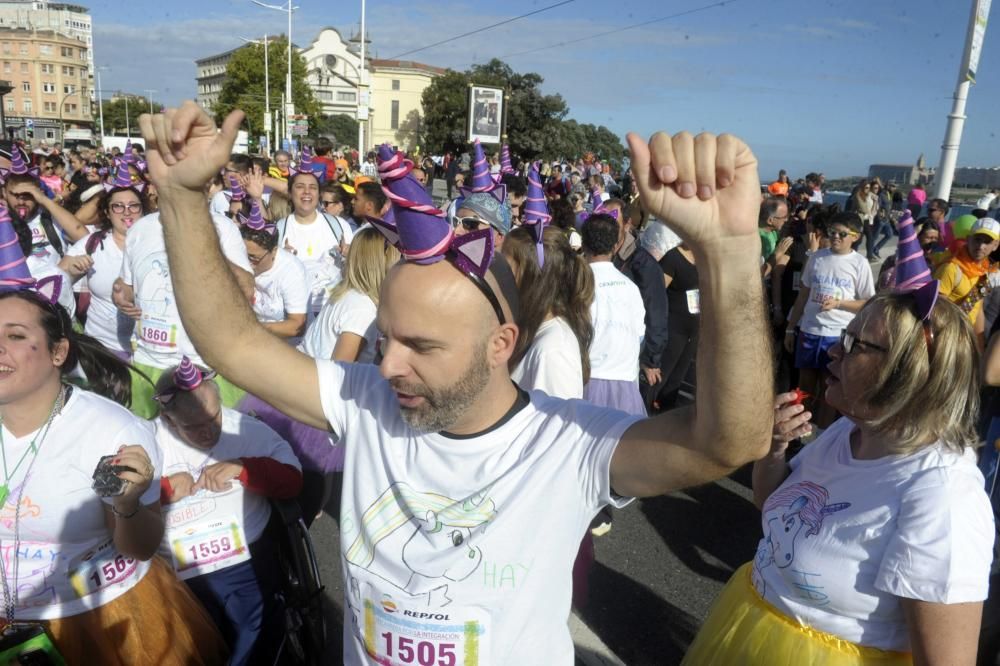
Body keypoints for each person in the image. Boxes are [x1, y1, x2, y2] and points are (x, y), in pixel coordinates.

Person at [140, 102, 773, 665]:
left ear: (502, 345)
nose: (387, 365)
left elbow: (728, 441)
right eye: (390, 337)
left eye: (423, 346)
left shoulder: (568, 443)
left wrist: (730, 253)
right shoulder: (367, 400)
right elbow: (231, 342)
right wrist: (180, 197)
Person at [684, 216, 993, 664]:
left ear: (909, 371)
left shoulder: (943, 497)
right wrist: (773, 450)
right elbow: (772, 506)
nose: (833, 351)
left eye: (854, 345)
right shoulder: (847, 433)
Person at [0, 219, 227, 663]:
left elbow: (140, 545)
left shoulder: (112, 430)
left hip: (96, 618)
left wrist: (126, 505)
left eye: (15, 337)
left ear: (58, 352)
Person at [153, 357, 302, 665]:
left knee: (253, 639)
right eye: (194, 427)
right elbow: (115, 503)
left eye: (214, 419)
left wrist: (245, 468)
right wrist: (161, 491)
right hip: (177, 571)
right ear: (168, 420)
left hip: (245, 562)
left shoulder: (244, 429)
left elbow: (293, 481)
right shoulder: (147, 440)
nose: (209, 433)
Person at [113, 197, 255, 418]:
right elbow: (128, 285)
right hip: (148, 362)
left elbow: (246, 288)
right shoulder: (140, 228)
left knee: (209, 445)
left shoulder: (223, 227)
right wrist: (121, 295)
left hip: (206, 365)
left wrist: (204, 243)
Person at [784, 211, 875, 427]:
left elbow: (868, 303)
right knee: (804, 386)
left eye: (842, 234)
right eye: (832, 232)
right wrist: (790, 328)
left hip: (837, 335)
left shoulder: (860, 264)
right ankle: (800, 430)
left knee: (829, 387)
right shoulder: (816, 257)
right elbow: (803, 295)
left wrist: (839, 304)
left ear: (856, 236)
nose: (835, 237)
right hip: (809, 330)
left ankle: (821, 433)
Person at [63, 184, 150, 359]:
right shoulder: (92, 243)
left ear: (142, 210)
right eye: (117, 206)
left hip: (151, 351)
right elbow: (53, 282)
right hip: (102, 349)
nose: (127, 212)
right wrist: (71, 271)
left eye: (134, 205)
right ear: (107, 212)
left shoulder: (159, 243)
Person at [581, 213, 647, 416]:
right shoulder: (630, 287)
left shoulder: (578, 285)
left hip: (586, 382)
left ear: (584, 244)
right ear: (616, 246)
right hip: (626, 386)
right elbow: (640, 334)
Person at [274, 159, 354, 319]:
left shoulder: (339, 225)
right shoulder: (278, 230)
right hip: (294, 317)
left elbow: (355, 271)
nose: (306, 192)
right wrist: (279, 260)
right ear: (290, 193)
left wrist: (350, 255)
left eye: (312, 187)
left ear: (319, 194)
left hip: (332, 314)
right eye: (299, 187)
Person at [239, 201, 308, 340]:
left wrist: (252, 328)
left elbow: (297, 326)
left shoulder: (291, 271)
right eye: (243, 255)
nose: (248, 263)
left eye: (254, 258)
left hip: (288, 349)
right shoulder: (238, 259)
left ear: (274, 251)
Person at [932, 217, 1000, 339]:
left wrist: (979, 344)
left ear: (995, 245)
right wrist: (981, 289)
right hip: (945, 337)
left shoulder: (984, 271)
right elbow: (935, 312)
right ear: (968, 239)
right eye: (977, 239)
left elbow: (977, 310)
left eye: (987, 242)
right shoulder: (951, 268)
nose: (981, 246)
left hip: (965, 337)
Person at [655, 238, 700, 413]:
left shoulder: (704, 259)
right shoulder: (673, 257)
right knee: (663, 374)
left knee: (678, 377)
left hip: (694, 328)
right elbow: (659, 292)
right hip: (674, 325)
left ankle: (666, 415)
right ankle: (646, 414)